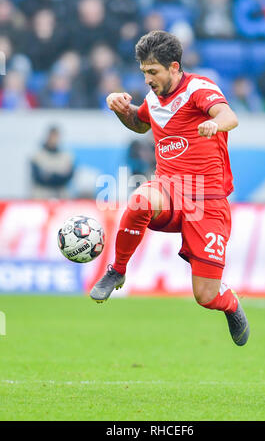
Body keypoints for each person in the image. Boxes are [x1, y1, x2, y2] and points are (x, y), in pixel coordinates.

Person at [89, 30, 250, 347]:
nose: (147, 79)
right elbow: (140, 124)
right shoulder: (152, 98)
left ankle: (230, 303)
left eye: (153, 72)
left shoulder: (199, 89)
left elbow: (229, 116)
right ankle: (117, 270)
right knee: (140, 200)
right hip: (170, 188)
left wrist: (214, 123)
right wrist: (121, 109)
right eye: (144, 72)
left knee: (205, 296)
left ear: (174, 67)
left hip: (208, 200)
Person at [31, 126, 75, 199]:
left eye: (56, 136)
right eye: (52, 136)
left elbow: (68, 177)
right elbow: (38, 177)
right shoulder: (37, 156)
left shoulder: (66, 157)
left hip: (61, 196)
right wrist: (59, 175)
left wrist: (49, 175)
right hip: (41, 197)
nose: (54, 139)